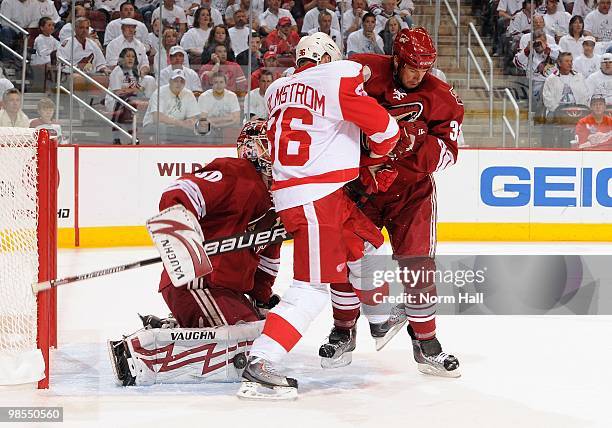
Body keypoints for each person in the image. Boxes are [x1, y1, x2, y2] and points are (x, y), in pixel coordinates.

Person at [237, 32, 400, 400]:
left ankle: (380, 319)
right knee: (310, 289)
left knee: (367, 244)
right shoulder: (337, 75)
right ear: (328, 57)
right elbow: (386, 130)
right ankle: (263, 361)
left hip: (316, 193)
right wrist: (376, 153)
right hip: (314, 195)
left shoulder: (277, 88)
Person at [325, 27, 463, 378]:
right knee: (345, 262)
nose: (419, 74)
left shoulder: (441, 96)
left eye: (425, 68)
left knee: (418, 266)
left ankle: (426, 342)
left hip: (411, 195)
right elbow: (331, 113)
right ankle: (343, 331)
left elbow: (449, 153)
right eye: (413, 66)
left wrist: (415, 146)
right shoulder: (363, 70)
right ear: (397, 59)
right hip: (360, 190)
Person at [108, 120, 282, 386]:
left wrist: (261, 300)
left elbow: (268, 258)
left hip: (223, 290)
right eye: (273, 144)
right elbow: (179, 192)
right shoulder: (236, 172)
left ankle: (169, 330)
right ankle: (142, 352)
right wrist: (181, 240)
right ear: (252, 148)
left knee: (265, 332)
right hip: (200, 283)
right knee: (247, 347)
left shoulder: (280, 198)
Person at [107, 47, 156, 144]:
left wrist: (134, 90)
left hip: (130, 100)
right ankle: (119, 138)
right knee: (128, 103)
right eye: (128, 56)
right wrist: (134, 90)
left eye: (133, 57)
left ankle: (132, 137)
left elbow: (137, 88)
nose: (130, 59)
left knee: (132, 102)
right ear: (122, 58)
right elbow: (118, 93)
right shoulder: (117, 72)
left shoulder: (134, 71)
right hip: (114, 100)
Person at [141, 69, 201, 143]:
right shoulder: (160, 93)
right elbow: (157, 117)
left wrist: (190, 122)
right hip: (153, 125)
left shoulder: (188, 94)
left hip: (177, 128)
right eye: (176, 81)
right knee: (163, 128)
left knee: (197, 131)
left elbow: (193, 118)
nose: (179, 84)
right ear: (170, 81)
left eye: (182, 81)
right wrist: (180, 123)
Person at [197, 72, 241, 141]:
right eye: (216, 82)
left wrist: (214, 122)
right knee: (205, 130)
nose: (219, 85)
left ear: (225, 84)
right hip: (211, 128)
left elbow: (237, 120)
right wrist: (228, 118)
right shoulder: (204, 97)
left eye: (221, 82)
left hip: (228, 127)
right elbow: (203, 120)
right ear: (212, 84)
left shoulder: (232, 96)